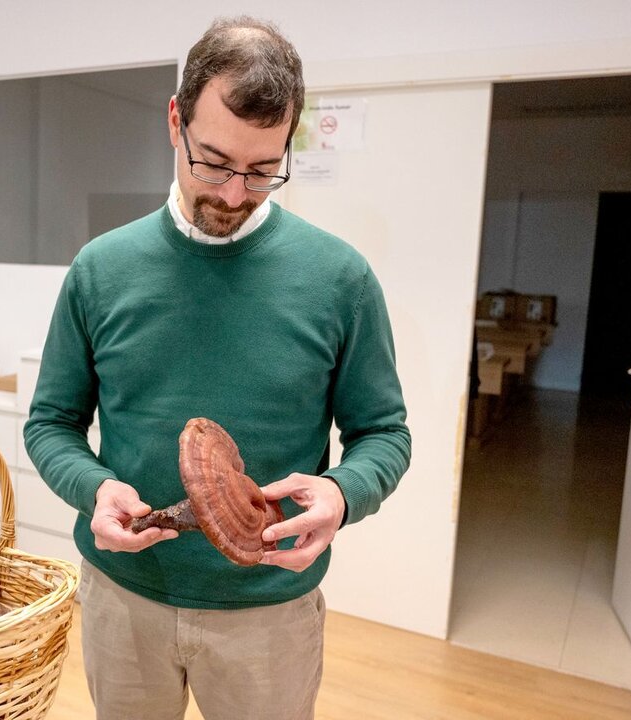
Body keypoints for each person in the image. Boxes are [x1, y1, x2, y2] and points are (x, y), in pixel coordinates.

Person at [24, 15, 410, 720]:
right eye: (213, 162)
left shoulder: (340, 279)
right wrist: (94, 488)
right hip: (123, 599)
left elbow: (384, 433)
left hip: (269, 614)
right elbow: (50, 423)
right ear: (176, 120)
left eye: (263, 171)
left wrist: (344, 495)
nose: (234, 194)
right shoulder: (100, 270)